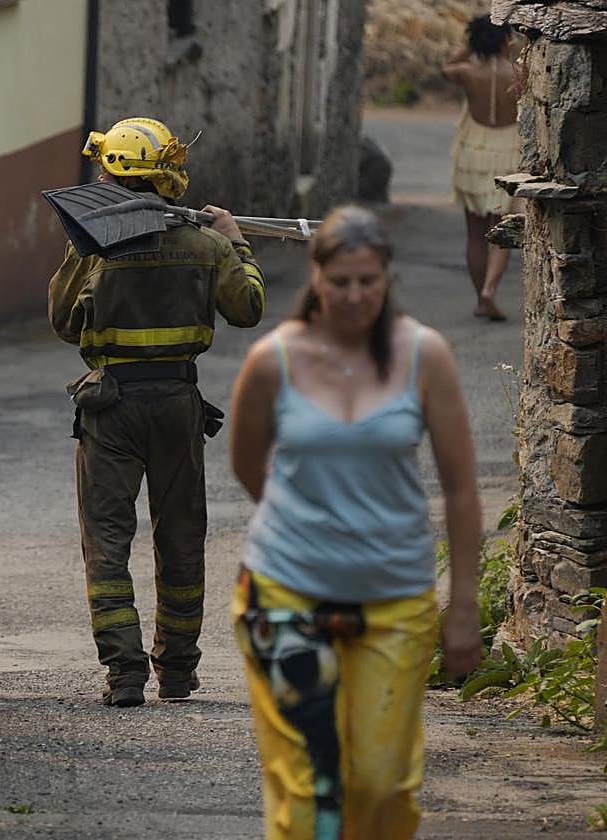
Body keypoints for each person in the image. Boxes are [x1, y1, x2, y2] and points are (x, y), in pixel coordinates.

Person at [228, 205, 482, 838]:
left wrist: (465, 605)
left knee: (379, 784)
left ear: (386, 277)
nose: (354, 295)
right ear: (316, 277)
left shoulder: (425, 356)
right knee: (310, 789)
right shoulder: (273, 360)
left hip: (394, 597)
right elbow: (247, 464)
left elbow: (460, 485)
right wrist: (312, 521)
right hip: (284, 592)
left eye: (368, 280)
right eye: (340, 281)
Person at [48, 117, 267, 707]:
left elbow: (64, 322)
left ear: (114, 174)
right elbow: (248, 308)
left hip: (110, 407)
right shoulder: (206, 243)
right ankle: (176, 671)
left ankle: (123, 673)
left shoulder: (95, 245)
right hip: (177, 405)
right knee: (181, 539)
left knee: (108, 542)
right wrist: (237, 240)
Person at [443, 14, 525, 321]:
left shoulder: (467, 71)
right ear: (506, 39)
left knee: (475, 233)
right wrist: (507, 49)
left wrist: (469, 46)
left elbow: (445, 67)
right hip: (508, 153)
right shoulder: (519, 72)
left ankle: (480, 298)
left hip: (473, 155)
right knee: (500, 228)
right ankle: (491, 289)